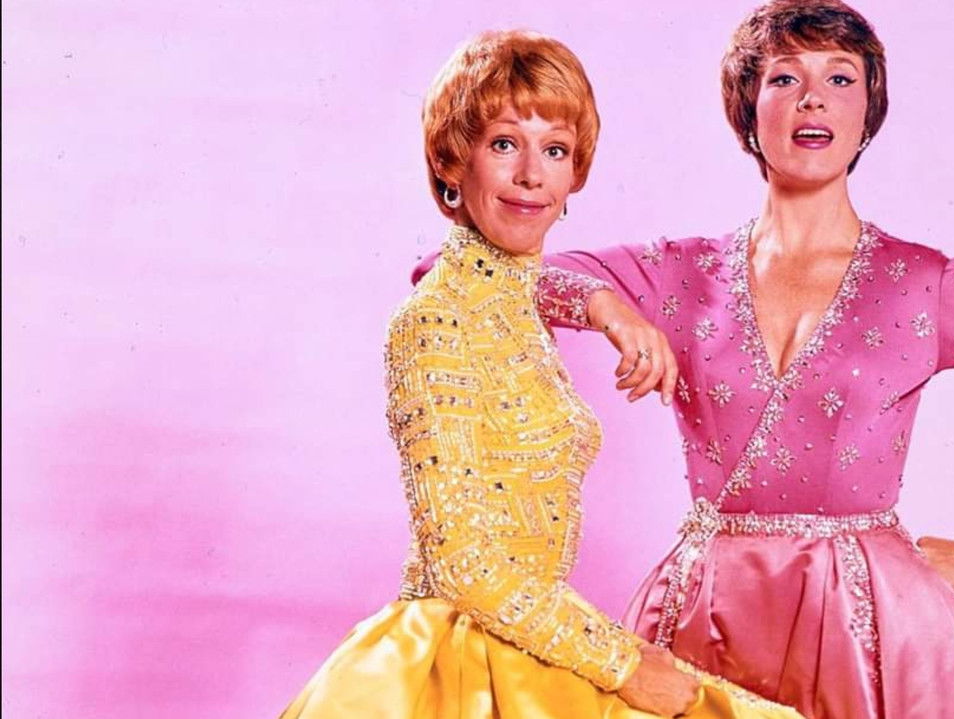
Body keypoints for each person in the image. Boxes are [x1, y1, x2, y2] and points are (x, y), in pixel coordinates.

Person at [412, 3, 954, 717]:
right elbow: (446, 270)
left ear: (868, 110)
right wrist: (605, 307)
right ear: (748, 110)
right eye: (783, 79)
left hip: (877, 634)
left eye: (839, 78)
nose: (813, 101)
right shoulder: (680, 272)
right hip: (702, 615)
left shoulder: (924, 282)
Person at [283, 29, 802, 719]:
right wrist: (624, 663)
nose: (532, 174)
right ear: (450, 160)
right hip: (459, 657)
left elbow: (523, 283)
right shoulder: (433, 323)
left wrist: (602, 303)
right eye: (503, 144)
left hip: (531, 641)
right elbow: (464, 563)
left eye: (554, 150)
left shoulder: (514, 298)